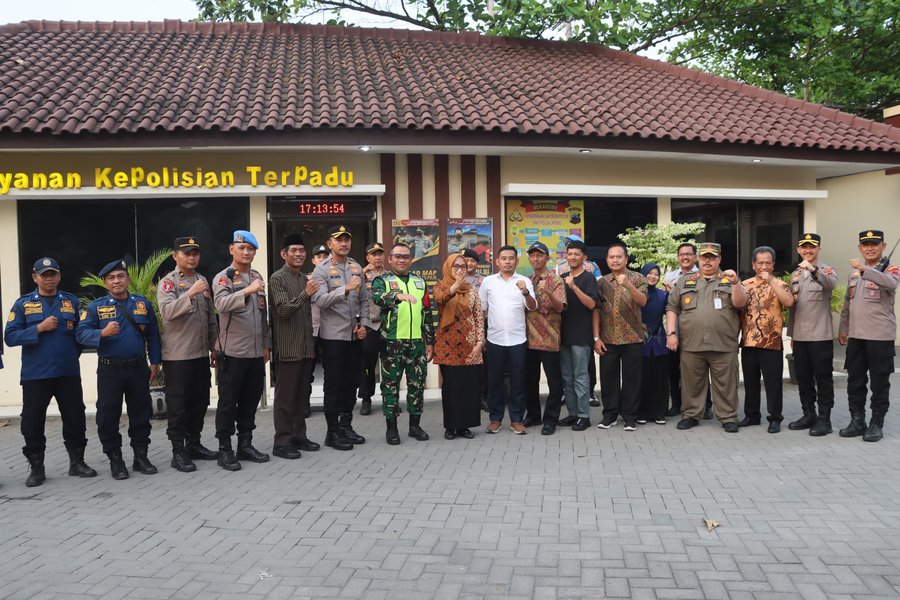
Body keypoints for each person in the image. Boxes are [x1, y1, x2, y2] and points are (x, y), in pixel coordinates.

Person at [5, 257, 96, 487]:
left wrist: (68, 355)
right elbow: (10, 337)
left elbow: (80, 336)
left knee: (75, 418)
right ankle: (37, 467)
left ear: (59, 276)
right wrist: (39, 328)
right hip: (36, 375)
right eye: (43, 274)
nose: (49, 278)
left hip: (67, 372)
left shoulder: (71, 301)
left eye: (52, 274)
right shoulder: (23, 304)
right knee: (32, 422)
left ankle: (77, 462)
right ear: (35, 277)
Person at [76, 259, 161, 480]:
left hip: (138, 368)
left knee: (141, 414)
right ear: (105, 283)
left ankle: (141, 457)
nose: (116, 281)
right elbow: (80, 333)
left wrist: (155, 361)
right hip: (110, 371)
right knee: (108, 416)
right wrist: (101, 334)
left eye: (120, 276)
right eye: (111, 278)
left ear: (128, 279)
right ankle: (115, 459)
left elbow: (153, 334)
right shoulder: (95, 307)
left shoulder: (142, 304)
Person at [666, 242, 747, 432]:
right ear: (699, 259)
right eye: (704, 257)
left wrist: (735, 283)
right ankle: (691, 415)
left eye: (712, 257)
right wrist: (671, 334)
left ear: (719, 259)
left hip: (723, 345)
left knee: (726, 384)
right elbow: (672, 308)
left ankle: (728, 417)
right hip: (692, 344)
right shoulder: (685, 281)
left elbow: (741, 303)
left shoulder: (730, 280)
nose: (708, 260)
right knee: (691, 384)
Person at [157, 237, 219, 473]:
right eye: (186, 253)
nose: (192, 257)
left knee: (199, 401)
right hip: (178, 357)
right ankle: (178, 451)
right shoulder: (168, 283)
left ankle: (194, 444)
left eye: (195, 253)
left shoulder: (202, 280)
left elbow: (210, 317)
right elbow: (167, 312)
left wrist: (215, 346)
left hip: (200, 354)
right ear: (175, 256)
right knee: (178, 405)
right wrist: (190, 294)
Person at [212, 230, 272, 470]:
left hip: (256, 352)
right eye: (242, 248)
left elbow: (263, 313)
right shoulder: (224, 278)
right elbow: (220, 305)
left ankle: (245, 445)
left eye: (250, 249)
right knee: (229, 403)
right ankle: (224, 449)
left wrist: (267, 344)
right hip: (233, 353)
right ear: (232, 250)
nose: (246, 253)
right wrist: (247, 291)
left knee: (250, 401)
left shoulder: (256, 275)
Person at [311, 225, 369, 450]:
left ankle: (346, 425)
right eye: (339, 240)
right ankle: (332, 431)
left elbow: (364, 299)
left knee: (351, 382)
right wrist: (345, 289)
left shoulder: (356, 267)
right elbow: (321, 300)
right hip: (333, 337)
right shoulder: (321, 270)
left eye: (347, 239)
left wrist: (364, 323)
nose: (344, 243)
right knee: (334, 384)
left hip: (355, 336)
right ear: (330, 243)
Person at [371, 243, 436, 444]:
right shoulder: (382, 280)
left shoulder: (420, 282)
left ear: (411, 259)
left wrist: (430, 342)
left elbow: (427, 313)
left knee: (416, 385)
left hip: (416, 343)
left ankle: (414, 426)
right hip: (392, 343)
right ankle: (392, 428)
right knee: (390, 387)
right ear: (390, 259)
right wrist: (397, 296)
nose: (402, 260)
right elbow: (377, 298)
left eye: (406, 256)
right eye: (397, 256)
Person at [838, 230, 898, 442]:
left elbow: (891, 284)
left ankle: (876, 423)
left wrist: (865, 269)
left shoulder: (890, 269)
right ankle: (857, 420)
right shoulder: (854, 273)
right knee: (855, 380)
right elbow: (848, 303)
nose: (870, 248)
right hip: (856, 336)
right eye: (866, 245)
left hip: (880, 337)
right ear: (860, 248)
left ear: (883, 245)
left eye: (874, 244)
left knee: (879, 382)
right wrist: (843, 328)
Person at [269, 234, 321, 459]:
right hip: (288, 348)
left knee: (302, 396)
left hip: (305, 347)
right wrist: (306, 294)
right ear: (284, 254)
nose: (299, 254)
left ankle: (299, 436)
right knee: (285, 398)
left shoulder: (303, 278)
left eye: (302, 250)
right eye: (294, 251)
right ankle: (282, 442)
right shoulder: (277, 278)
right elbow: (282, 310)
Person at [479, 245, 537, 434]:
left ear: (517, 261)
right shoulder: (488, 282)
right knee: (494, 381)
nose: (507, 261)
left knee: (518, 381)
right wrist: (482, 337)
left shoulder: (524, 281)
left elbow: (532, 307)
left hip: (518, 339)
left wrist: (525, 293)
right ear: (497, 261)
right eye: (503, 258)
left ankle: (517, 419)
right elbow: (482, 310)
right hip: (494, 339)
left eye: (511, 258)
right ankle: (495, 419)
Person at [738, 246, 794, 433]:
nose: (764, 266)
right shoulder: (745, 285)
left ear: (773, 265)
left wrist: (770, 281)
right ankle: (752, 415)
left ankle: (775, 417)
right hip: (749, 342)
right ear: (753, 264)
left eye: (767, 263)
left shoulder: (780, 284)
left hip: (772, 342)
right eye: (760, 262)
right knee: (750, 382)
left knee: (773, 383)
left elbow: (788, 303)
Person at [787, 233, 838, 436]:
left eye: (812, 247)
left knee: (823, 379)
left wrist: (813, 270)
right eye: (804, 247)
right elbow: (793, 309)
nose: (808, 250)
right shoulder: (795, 275)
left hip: (820, 336)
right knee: (804, 378)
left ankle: (825, 420)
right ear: (799, 250)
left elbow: (831, 284)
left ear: (819, 249)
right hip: (800, 337)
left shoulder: (827, 271)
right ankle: (809, 414)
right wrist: (791, 335)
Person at [596, 242, 648, 431]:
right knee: (608, 378)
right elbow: (596, 310)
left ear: (626, 259)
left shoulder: (638, 278)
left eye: (619, 256)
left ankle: (630, 416)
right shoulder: (601, 282)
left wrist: (627, 284)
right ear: (607, 260)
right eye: (611, 257)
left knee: (631, 379)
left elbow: (642, 301)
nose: (615, 260)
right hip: (608, 338)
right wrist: (596, 338)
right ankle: (609, 415)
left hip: (633, 338)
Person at [433, 253, 485, 440]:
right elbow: (440, 300)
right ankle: (451, 427)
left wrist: (479, 343)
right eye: (455, 266)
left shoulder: (471, 289)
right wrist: (454, 286)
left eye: (462, 267)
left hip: (470, 345)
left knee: (469, 388)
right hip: (448, 346)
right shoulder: (440, 286)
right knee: (452, 388)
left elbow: (478, 317)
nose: (459, 270)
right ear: (448, 267)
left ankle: (465, 426)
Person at [523, 242, 567, 435]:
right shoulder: (527, 280)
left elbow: (560, 307)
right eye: (532, 256)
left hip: (550, 339)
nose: (536, 259)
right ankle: (533, 415)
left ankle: (550, 420)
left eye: (539, 256)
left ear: (547, 258)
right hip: (529, 340)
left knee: (554, 382)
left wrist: (548, 291)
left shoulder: (556, 280)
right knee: (529, 380)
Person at [557, 239, 599, 431]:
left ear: (584, 257)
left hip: (581, 335)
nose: (572, 257)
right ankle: (572, 413)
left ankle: (584, 415)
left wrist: (573, 287)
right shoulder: (562, 277)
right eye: (570, 253)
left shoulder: (588, 278)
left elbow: (592, 304)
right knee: (567, 377)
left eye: (576, 254)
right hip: (563, 335)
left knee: (581, 376)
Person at [662, 242, 705, 418]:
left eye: (688, 254)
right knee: (673, 370)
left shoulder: (703, 274)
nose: (685, 257)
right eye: (681, 254)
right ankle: (677, 404)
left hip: (696, 331)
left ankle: (706, 405)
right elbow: (667, 303)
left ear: (695, 257)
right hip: (675, 331)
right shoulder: (670, 276)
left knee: (699, 371)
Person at [636, 263, 669, 426]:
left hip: (659, 341)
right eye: (650, 273)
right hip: (639, 341)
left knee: (659, 378)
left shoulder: (663, 295)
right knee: (642, 378)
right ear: (643, 274)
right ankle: (641, 412)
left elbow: (670, 313)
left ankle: (659, 413)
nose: (653, 276)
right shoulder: (636, 293)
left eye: (656, 274)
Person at [359, 242, 386, 416]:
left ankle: (389, 399)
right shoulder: (361, 276)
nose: (377, 257)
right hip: (369, 325)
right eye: (373, 254)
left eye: (379, 254)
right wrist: (361, 273)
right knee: (367, 365)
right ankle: (366, 399)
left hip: (387, 326)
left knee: (389, 365)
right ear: (368, 257)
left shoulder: (389, 276)